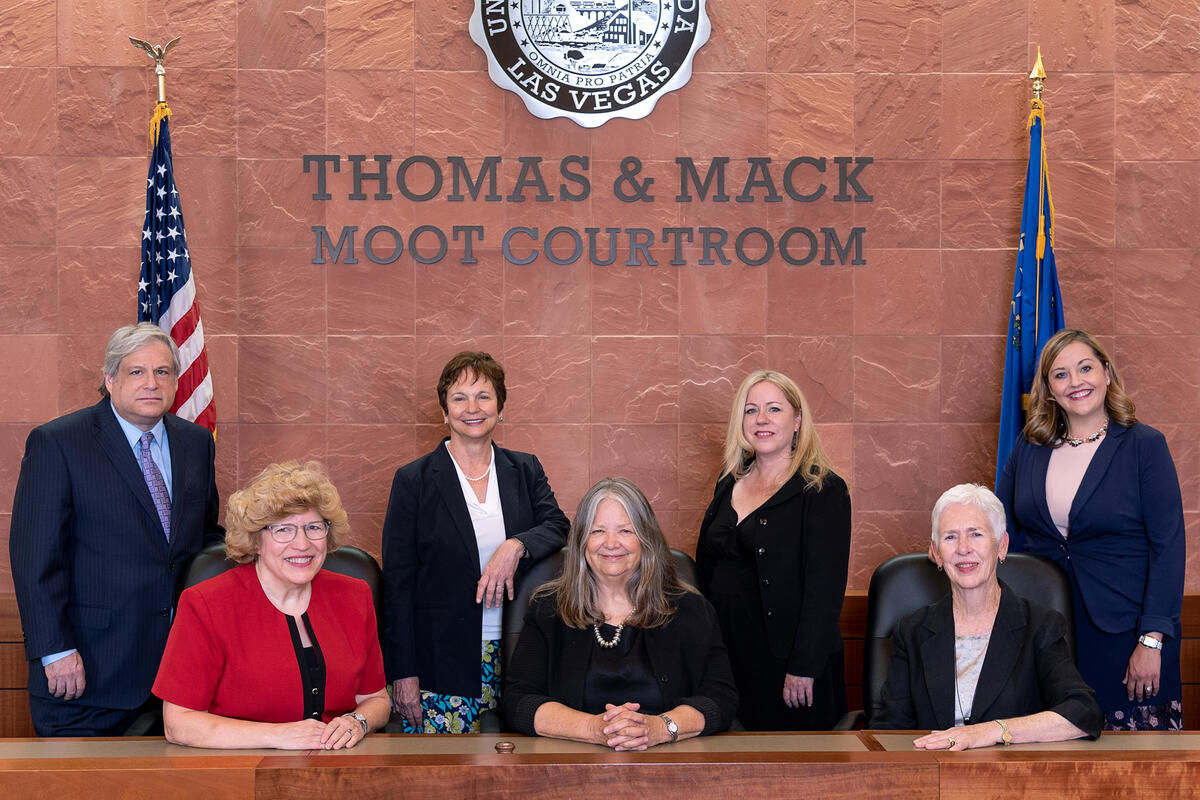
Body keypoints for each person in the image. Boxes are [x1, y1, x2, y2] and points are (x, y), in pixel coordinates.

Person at [9, 323, 223, 737]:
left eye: (162, 372)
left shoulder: (196, 443)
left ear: (177, 381)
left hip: (178, 679)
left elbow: (205, 541)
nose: (151, 383)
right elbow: (35, 558)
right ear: (110, 380)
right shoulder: (59, 442)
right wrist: (54, 650)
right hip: (86, 676)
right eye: (136, 372)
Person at [997, 328, 1185, 730]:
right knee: (1052, 758)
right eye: (1061, 374)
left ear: (1106, 373)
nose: (1076, 382)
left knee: (1134, 769)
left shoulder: (1144, 446)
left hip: (1126, 632)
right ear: (1048, 389)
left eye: (1085, 368)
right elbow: (999, 522)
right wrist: (953, 534)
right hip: (1048, 632)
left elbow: (1168, 547)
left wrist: (1151, 641)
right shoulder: (1029, 447)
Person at [382, 351, 570, 733]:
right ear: (444, 411)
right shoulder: (413, 481)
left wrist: (514, 545)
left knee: (518, 773)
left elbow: (557, 524)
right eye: (459, 397)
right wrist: (403, 673)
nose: (473, 408)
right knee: (444, 778)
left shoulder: (525, 469)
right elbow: (397, 587)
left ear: (501, 408)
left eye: (484, 396)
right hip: (439, 660)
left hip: (519, 652)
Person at [152, 461, 390, 749]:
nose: (302, 544)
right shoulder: (206, 603)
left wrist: (357, 722)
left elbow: (376, 700)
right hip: (237, 772)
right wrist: (276, 735)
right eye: (283, 530)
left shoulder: (354, 595)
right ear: (255, 541)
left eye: (313, 527)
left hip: (337, 769)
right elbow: (178, 723)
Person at [505, 477, 738, 749]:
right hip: (572, 768)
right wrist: (594, 729)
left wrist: (658, 728)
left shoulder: (690, 608)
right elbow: (518, 700)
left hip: (671, 767)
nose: (611, 543)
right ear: (581, 541)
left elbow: (720, 697)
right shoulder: (548, 609)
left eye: (626, 531)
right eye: (598, 531)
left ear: (646, 538)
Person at [874, 483, 1102, 748]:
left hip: (1013, 778)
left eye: (976, 534)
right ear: (936, 553)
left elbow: (1083, 712)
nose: (963, 548)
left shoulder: (1040, 626)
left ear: (1002, 545)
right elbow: (889, 731)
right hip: (934, 774)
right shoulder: (912, 630)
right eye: (950, 537)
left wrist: (992, 731)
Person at [695, 370, 851, 730]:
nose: (761, 419)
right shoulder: (727, 481)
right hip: (727, 655)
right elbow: (707, 567)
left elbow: (824, 591)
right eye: (751, 410)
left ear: (797, 420)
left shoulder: (823, 489)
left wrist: (804, 667)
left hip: (788, 664)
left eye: (774, 409)